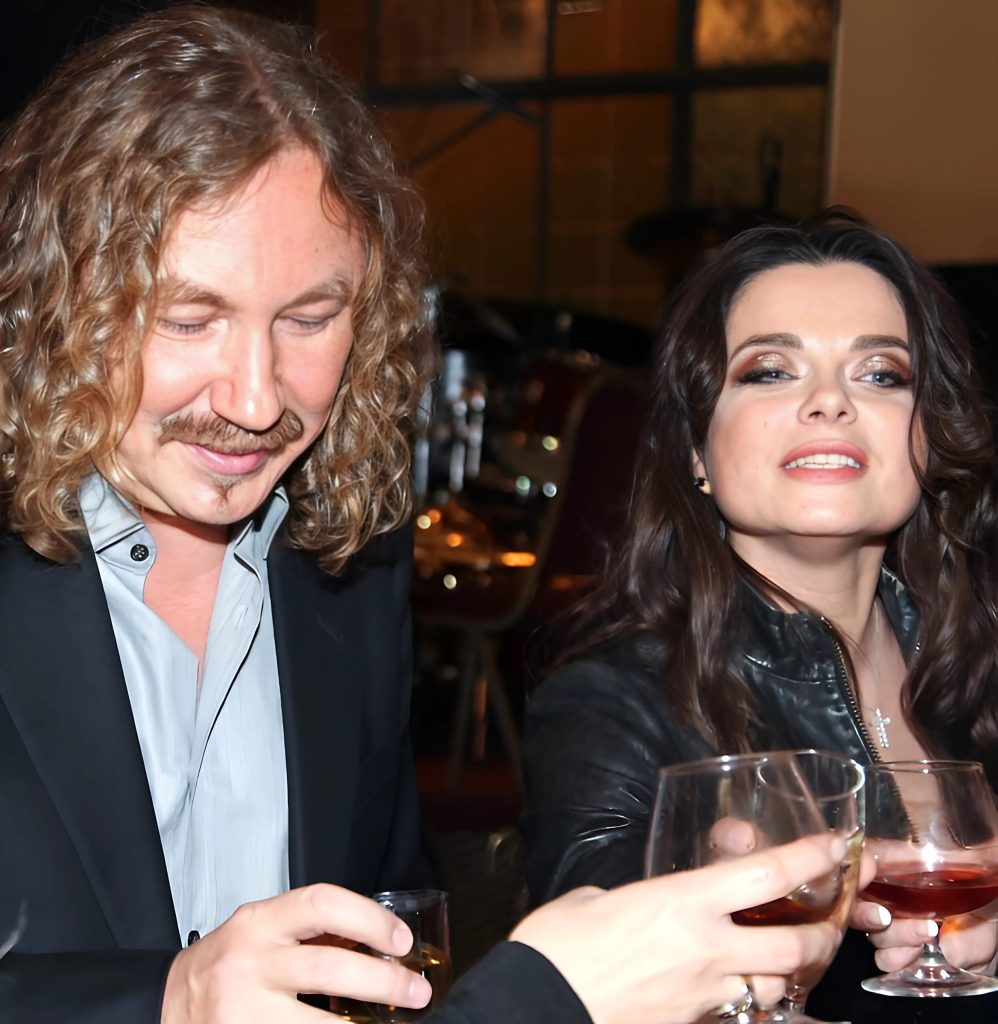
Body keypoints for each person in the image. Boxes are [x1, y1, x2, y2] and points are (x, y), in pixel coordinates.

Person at [0, 7, 853, 1024]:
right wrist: (168, 999)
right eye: (190, 319)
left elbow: (393, 922)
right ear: (57, 300)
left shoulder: (349, 564)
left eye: (310, 318)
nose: (256, 398)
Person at [522, 211, 998, 1022]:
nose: (829, 402)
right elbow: (590, 985)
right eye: (771, 370)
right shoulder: (610, 706)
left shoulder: (978, 661)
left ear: (929, 435)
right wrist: (731, 943)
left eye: (881, 373)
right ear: (697, 451)